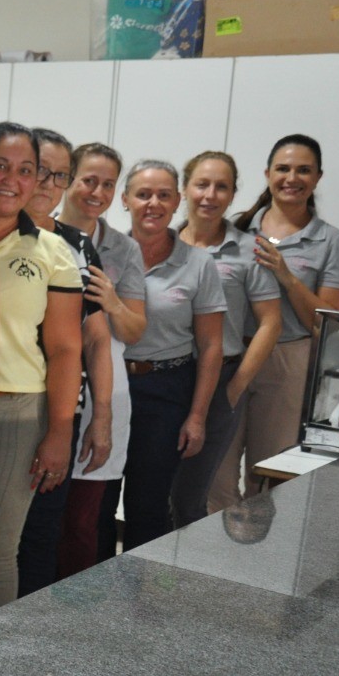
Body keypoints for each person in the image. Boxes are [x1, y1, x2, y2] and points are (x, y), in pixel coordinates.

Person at [0, 122, 81, 618]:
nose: (12, 180)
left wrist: (59, 432)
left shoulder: (52, 253)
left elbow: (65, 350)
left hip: (15, 416)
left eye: (26, 170)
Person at [16, 129, 139, 593]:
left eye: (59, 175)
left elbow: (95, 337)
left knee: (45, 533)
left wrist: (100, 415)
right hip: (4, 410)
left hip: (62, 409)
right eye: (39, 170)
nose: (48, 183)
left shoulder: (78, 243)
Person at [219, 134, 339, 501]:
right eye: (283, 168)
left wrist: (286, 276)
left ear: (318, 178)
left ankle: (261, 555)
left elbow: (329, 321)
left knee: (270, 473)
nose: (292, 178)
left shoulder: (330, 241)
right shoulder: (237, 228)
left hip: (287, 362)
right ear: (267, 173)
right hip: (229, 356)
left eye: (303, 170)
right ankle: (209, 554)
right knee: (213, 469)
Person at [169, 150, 281, 526]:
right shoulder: (161, 244)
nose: (210, 195)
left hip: (219, 382)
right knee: (153, 487)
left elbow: (270, 324)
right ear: (185, 189)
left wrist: (235, 388)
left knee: (190, 494)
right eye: (202, 184)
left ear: (233, 195)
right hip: (164, 378)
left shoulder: (250, 250)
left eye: (222, 187)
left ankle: (184, 578)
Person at [118, 160, 225, 549]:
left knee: (147, 504)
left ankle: (137, 602)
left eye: (164, 195)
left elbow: (212, 345)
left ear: (178, 201)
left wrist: (196, 416)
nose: (153, 203)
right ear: (125, 199)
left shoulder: (198, 264)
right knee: (92, 502)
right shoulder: (104, 253)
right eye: (143, 194)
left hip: (166, 390)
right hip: (107, 385)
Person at [55, 143, 147, 576]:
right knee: (41, 518)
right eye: (89, 180)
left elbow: (133, 330)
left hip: (103, 393)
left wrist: (111, 301)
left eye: (108, 184)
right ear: (68, 179)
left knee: (82, 519)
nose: (97, 191)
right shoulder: (41, 234)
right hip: (51, 389)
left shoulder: (124, 250)